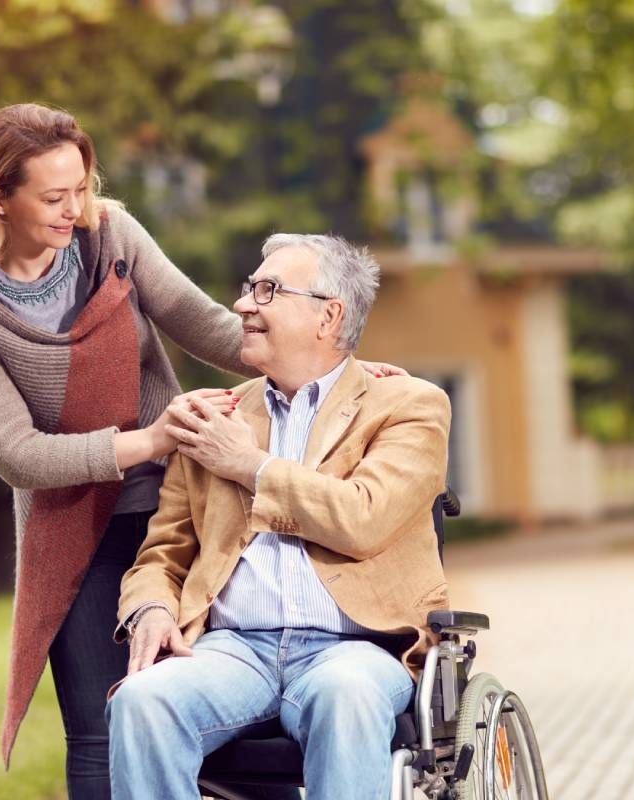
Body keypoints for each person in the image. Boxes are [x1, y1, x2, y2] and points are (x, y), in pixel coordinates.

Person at [0, 103, 403, 799]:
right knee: (101, 725)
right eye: (55, 197)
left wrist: (340, 374)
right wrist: (149, 439)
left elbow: (204, 324)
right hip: (72, 528)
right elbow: (15, 454)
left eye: (82, 188)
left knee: (240, 693)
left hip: (178, 499)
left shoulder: (109, 236)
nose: (76, 210)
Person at [105, 233, 452, 800]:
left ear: (327, 316)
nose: (243, 304)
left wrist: (249, 465)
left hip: (355, 648)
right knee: (143, 700)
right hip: (232, 649)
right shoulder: (215, 414)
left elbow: (363, 517)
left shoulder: (411, 406)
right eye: (249, 289)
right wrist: (149, 609)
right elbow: (163, 554)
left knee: (347, 695)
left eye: (267, 290)